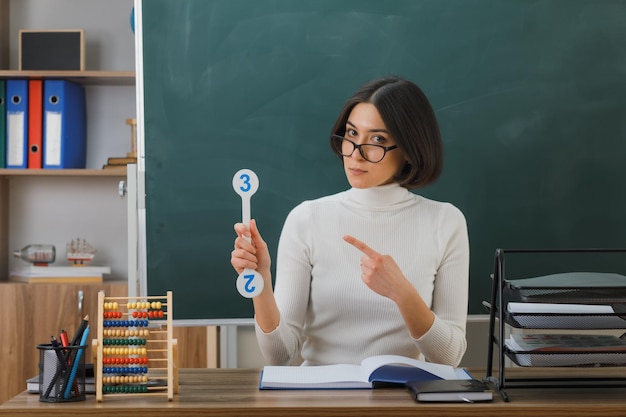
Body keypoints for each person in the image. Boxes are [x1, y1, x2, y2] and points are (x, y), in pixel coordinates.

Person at [231, 76, 469, 367]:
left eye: (377, 140)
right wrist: (263, 281)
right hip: (320, 402)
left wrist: (403, 294)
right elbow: (280, 354)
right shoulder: (307, 218)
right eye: (351, 134)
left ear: (408, 149)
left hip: (402, 404)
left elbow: (450, 357)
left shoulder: (446, 222)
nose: (355, 153)